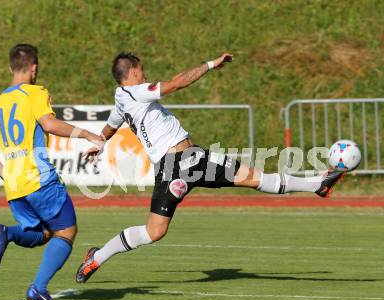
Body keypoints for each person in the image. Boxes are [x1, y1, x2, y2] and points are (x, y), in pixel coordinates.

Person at [75, 52, 345, 283]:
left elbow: (111, 125)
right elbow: (176, 83)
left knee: (253, 178)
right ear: (133, 72)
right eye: (142, 70)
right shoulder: (135, 92)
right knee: (154, 232)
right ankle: (97, 257)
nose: (145, 75)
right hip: (173, 166)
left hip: (193, 160)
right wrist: (211, 64)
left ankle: (317, 185)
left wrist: (100, 142)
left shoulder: (122, 98)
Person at [0, 44, 102, 300]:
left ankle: (7, 233)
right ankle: (37, 288)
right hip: (39, 178)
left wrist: (8, 174)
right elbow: (49, 123)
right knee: (66, 231)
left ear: (10, 67)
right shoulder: (35, 92)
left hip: (14, 186)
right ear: (34, 68)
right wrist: (86, 134)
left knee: (44, 233)